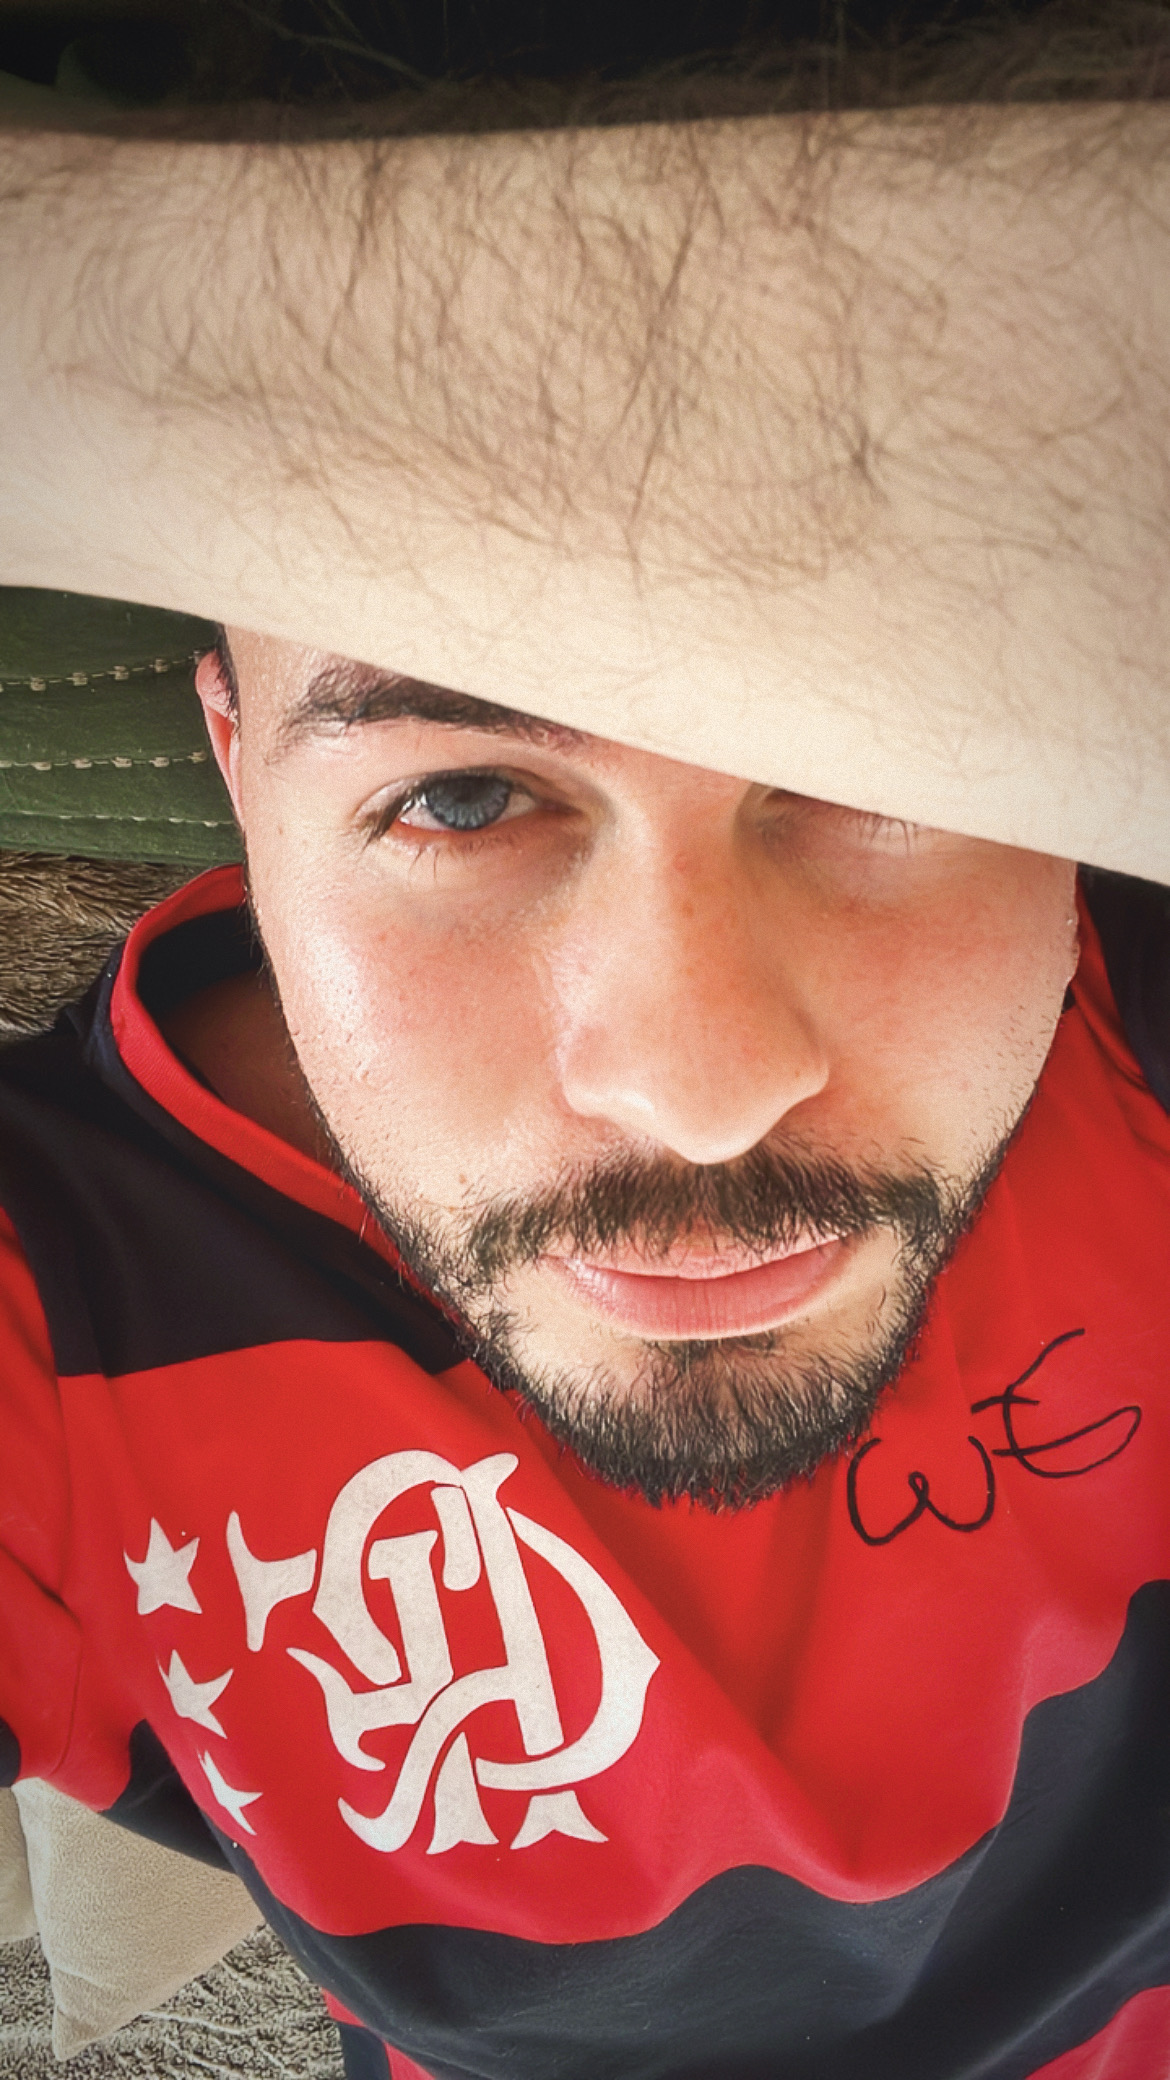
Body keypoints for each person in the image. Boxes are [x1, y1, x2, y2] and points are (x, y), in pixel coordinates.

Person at [2, 6, 1170, 2077]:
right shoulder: (52, 1314)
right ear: (238, 764)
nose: (701, 1090)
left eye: (882, 773)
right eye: (458, 796)